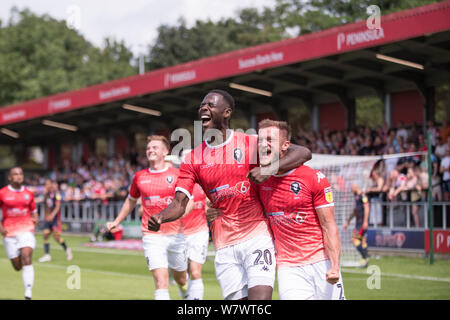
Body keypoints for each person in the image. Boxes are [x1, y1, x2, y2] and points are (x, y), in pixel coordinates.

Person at [148, 89, 311, 300]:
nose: (203, 107)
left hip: (257, 236)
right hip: (224, 244)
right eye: (202, 105)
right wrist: (161, 217)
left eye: (210, 104)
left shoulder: (250, 143)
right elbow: (179, 203)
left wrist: (269, 168)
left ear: (227, 113)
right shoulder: (193, 158)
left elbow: (303, 153)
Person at [255, 119, 345, 300]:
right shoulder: (259, 180)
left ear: (286, 145)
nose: (263, 144)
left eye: (270, 140)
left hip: (321, 262)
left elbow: (328, 225)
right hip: (289, 268)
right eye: (260, 140)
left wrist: (334, 266)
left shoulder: (313, 178)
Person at [106, 136, 191, 300]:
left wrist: (180, 215)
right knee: (161, 281)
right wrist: (116, 222)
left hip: (176, 234)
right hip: (151, 235)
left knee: (180, 278)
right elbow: (130, 202)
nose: (150, 150)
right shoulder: (139, 176)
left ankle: (185, 291)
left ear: (165, 152)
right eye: (148, 148)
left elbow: (190, 202)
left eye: (155, 147)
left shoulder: (177, 174)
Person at [0, 167, 38, 300]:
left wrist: (35, 218)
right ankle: (24, 269)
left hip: (26, 230)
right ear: (10, 177)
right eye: (15, 174)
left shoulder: (29, 193)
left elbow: (34, 210)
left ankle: (28, 293)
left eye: (21, 173)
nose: (19, 176)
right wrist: (1, 228)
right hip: (9, 233)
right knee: (17, 266)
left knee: (27, 256)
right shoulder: (2, 193)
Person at [181, 183, 209, 300]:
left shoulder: (203, 183)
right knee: (182, 277)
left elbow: (208, 207)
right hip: (180, 234)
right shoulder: (178, 184)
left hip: (199, 232)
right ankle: (187, 297)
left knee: (195, 272)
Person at [38, 179, 72, 262]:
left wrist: (52, 215)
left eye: (47, 184)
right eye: (45, 184)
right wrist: (45, 216)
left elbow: (57, 206)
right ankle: (47, 255)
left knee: (56, 237)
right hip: (48, 219)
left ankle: (67, 249)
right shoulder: (46, 195)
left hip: (55, 219)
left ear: (51, 185)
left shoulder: (57, 194)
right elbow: (46, 205)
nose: (46, 186)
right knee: (45, 235)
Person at [344, 184, 370, 268]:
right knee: (362, 241)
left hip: (362, 223)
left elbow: (367, 207)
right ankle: (364, 261)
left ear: (356, 187)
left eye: (351, 188)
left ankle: (365, 257)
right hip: (358, 223)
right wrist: (348, 220)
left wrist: (365, 221)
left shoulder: (363, 196)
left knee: (354, 239)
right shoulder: (357, 197)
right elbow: (355, 211)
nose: (350, 190)